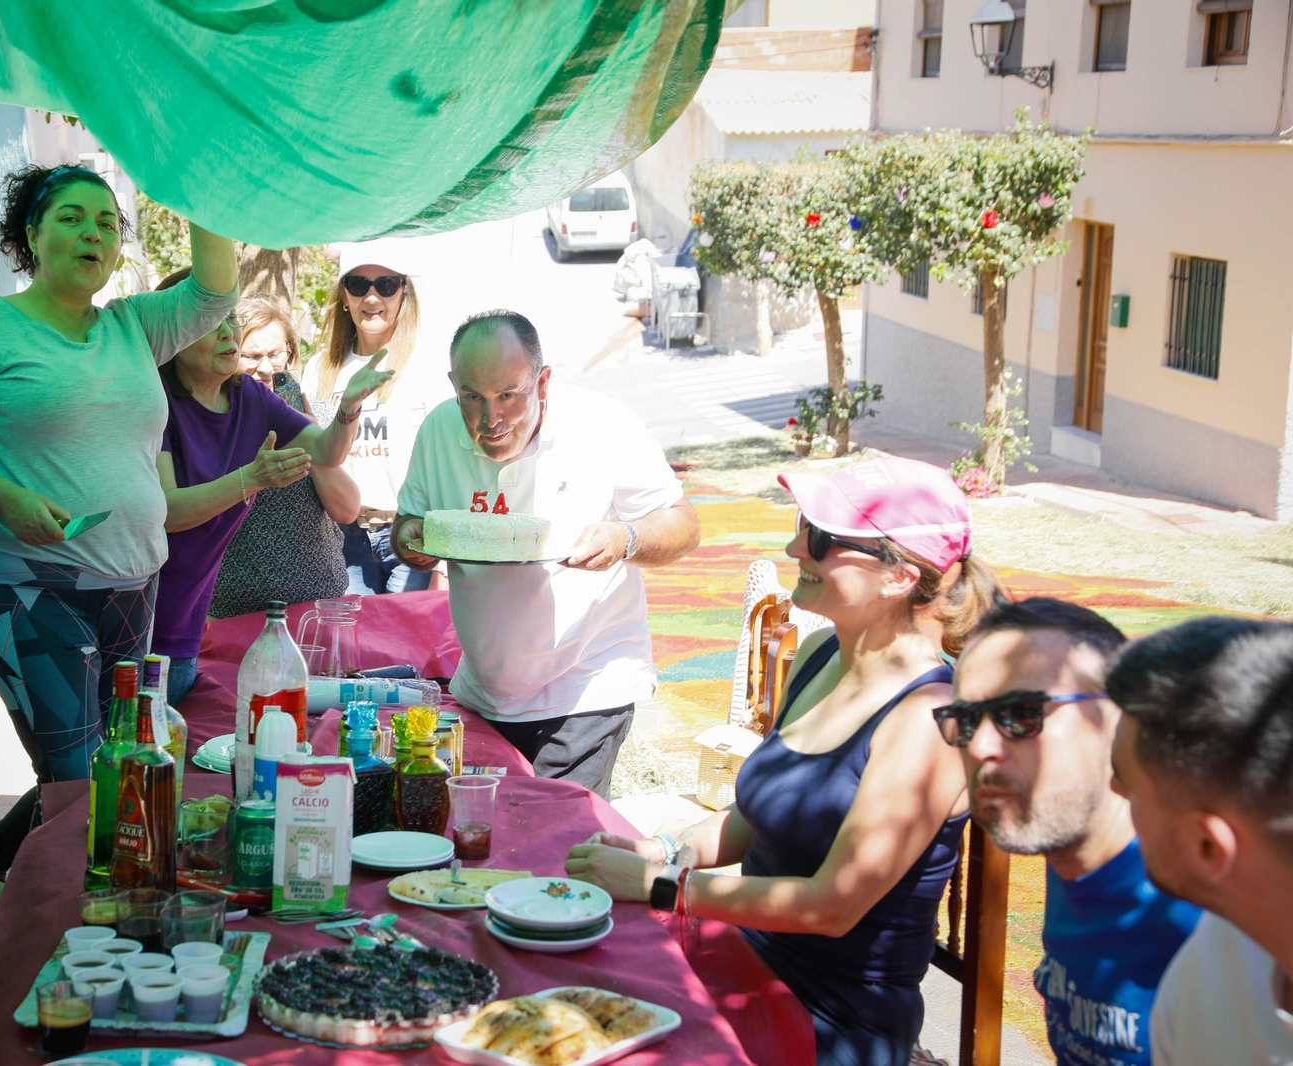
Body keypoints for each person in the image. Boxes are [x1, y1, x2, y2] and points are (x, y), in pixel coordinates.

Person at [563, 455, 1003, 1066]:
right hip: (746, 964)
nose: (796, 546)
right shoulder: (822, 654)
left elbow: (831, 906)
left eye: (821, 538)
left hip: (831, 1018)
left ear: (900, 576)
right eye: (803, 526)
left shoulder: (927, 721)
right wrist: (660, 852)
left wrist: (664, 888)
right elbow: (755, 817)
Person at [0, 162, 241, 829]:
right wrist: (0, 496)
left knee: (120, 767)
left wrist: (194, 159)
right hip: (22, 581)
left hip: (134, 583)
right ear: (31, 235)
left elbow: (216, 291)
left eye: (107, 222)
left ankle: (11, 887)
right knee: (81, 780)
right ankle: (36, 914)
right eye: (71, 217)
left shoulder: (132, 326)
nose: (92, 234)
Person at [394, 310, 700, 796]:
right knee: (484, 841)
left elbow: (683, 525)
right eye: (471, 396)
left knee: (553, 844)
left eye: (508, 396)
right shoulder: (438, 430)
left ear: (542, 383)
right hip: (483, 689)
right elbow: (408, 524)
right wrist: (413, 542)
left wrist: (625, 539)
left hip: (586, 684)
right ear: (453, 384)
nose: (489, 419)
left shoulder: (603, 423)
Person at [944, 597, 1200, 1066]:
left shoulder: (1214, 909)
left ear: (1121, 718)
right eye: (964, 721)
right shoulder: (1068, 848)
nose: (980, 746)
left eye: (1020, 714)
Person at [149, 279, 366, 702]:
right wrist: (253, 477)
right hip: (167, 619)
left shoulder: (254, 398)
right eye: (212, 323)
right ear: (172, 338)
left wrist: (349, 407)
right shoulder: (155, 402)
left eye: (230, 318)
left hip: (224, 621)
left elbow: (330, 458)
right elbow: (168, 512)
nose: (227, 332)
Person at [1105, 618, 1293, 1065]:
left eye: (1127, 782)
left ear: (1207, 847)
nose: (1113, 788)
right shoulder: (1219, 952)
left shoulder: (1219, 962)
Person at [304, 240, 447, 594]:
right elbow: (313, 455)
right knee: (352, 644)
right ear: (343, 296)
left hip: (411, 533)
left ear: (403, 293)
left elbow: (447, 462)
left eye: (385, 285)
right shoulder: (320, 368)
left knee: (405, 646)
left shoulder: (427, 365)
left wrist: (442, 561)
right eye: (358, 285)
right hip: (342, 537)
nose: (371, 298)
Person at [209, 297, 355, 620]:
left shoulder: (321, 417)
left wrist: (313, 439)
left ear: (290, 352)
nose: (265, 368)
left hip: (315, 609)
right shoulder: (214, 419)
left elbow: (347, 509)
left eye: (275, 354)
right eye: (252, 355)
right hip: (231, 613)